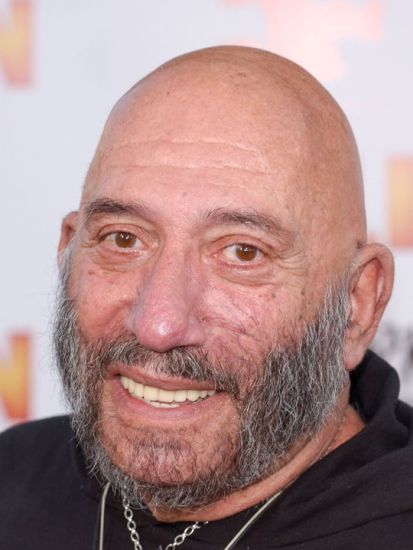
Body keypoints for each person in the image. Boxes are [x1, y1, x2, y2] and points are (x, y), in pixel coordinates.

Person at [1, 46, 412, 550]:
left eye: (243, 252)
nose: (158, 324)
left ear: (357, 304)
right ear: (68, 253)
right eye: (123, 239)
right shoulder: (13, 478)